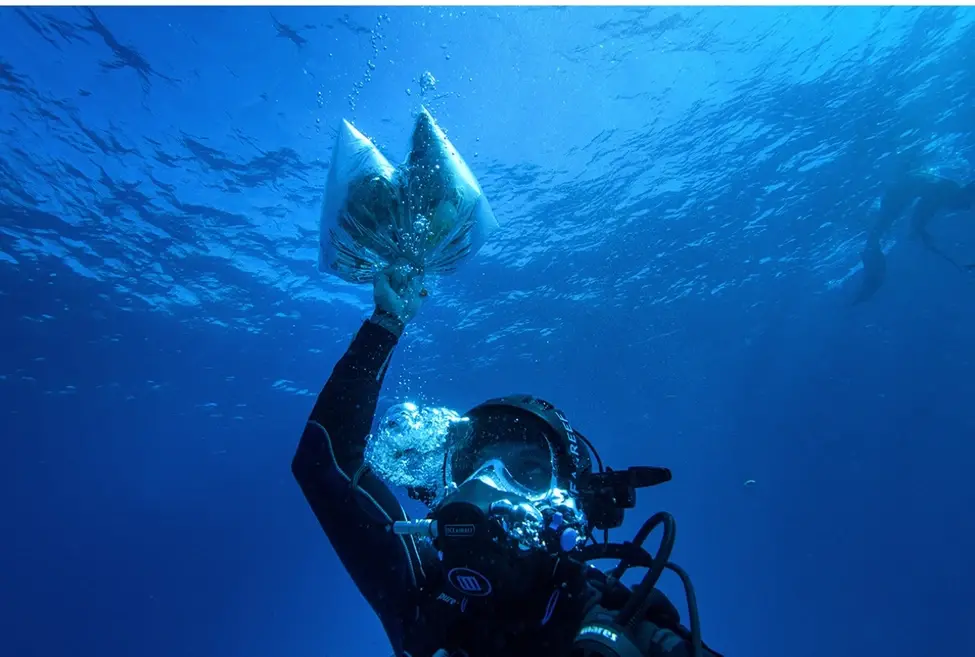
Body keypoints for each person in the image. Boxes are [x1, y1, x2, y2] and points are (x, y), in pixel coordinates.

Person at [291, 263, 724, 657]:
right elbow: (323, 460)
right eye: (472, 466)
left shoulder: (626, 633)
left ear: (570, 504)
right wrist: (385, 322)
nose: (488, 483)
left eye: (528, 471)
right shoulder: (427, 596)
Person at [854, 170, 975, 304]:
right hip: (898, 193)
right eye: (964, 204)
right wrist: (920, 231)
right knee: (877, 235)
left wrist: (920, 231)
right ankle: (872, 272)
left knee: (878, 234)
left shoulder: (946, 190)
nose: (967, 207)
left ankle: (872, 270)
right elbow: (923, 209)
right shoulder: (943, 193)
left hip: (901, 190)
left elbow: (924, 209)